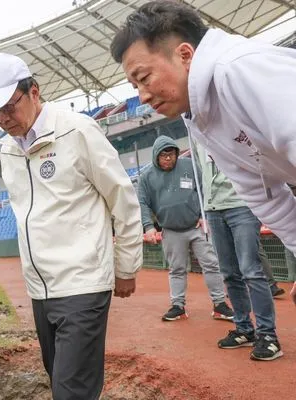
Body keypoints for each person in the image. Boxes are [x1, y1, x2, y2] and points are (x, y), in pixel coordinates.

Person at [0, 52, 143, 400]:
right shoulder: (7, 149)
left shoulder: (77, 129)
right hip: (40, 290)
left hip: (82, 283)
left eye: (10, 106)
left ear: (34, 91)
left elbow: (122, 199)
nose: (4, 119)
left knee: (71, 392)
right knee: (60, 381)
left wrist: (126, 266)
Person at [110, 0, 296, 311]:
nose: (141, 96)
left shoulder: (238, 70)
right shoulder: (199, 114)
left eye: (144, 78)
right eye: (134, 86)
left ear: (185, 55)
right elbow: (262, 194)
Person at [193, 143, 282, 360]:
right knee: (230, 273)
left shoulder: (230, 119)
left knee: (250, 271)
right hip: (213, 207)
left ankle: (268, 335)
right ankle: (244, 328)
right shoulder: (195, 131)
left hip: (242, 203)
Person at [139, 135, 233, 322]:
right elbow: (142, 203)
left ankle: (220, 304)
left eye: (171, 154)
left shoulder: (189, 166)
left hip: (196, 226)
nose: (168, 158)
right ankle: (178, 306)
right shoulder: (146, 176)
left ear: (176, 153)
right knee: (176, 269)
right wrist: (148, 226)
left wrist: (204, 215)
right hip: (171, 230)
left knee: (211, 264)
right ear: (156, 156)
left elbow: (204, 189)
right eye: (164, 155)